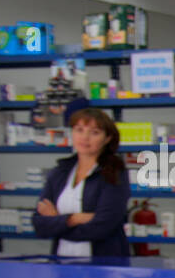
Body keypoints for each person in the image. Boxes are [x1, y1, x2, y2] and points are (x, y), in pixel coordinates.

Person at [32, 106, 131, 257]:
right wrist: (74, 219)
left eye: (94, 132)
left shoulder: (114, 174)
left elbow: (103, 227)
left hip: (104, 263)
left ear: (107, 138)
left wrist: (57, 221)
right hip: (62, 262)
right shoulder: (59, 172)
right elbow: (40, 225)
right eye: (79, 130)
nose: (85, 137)